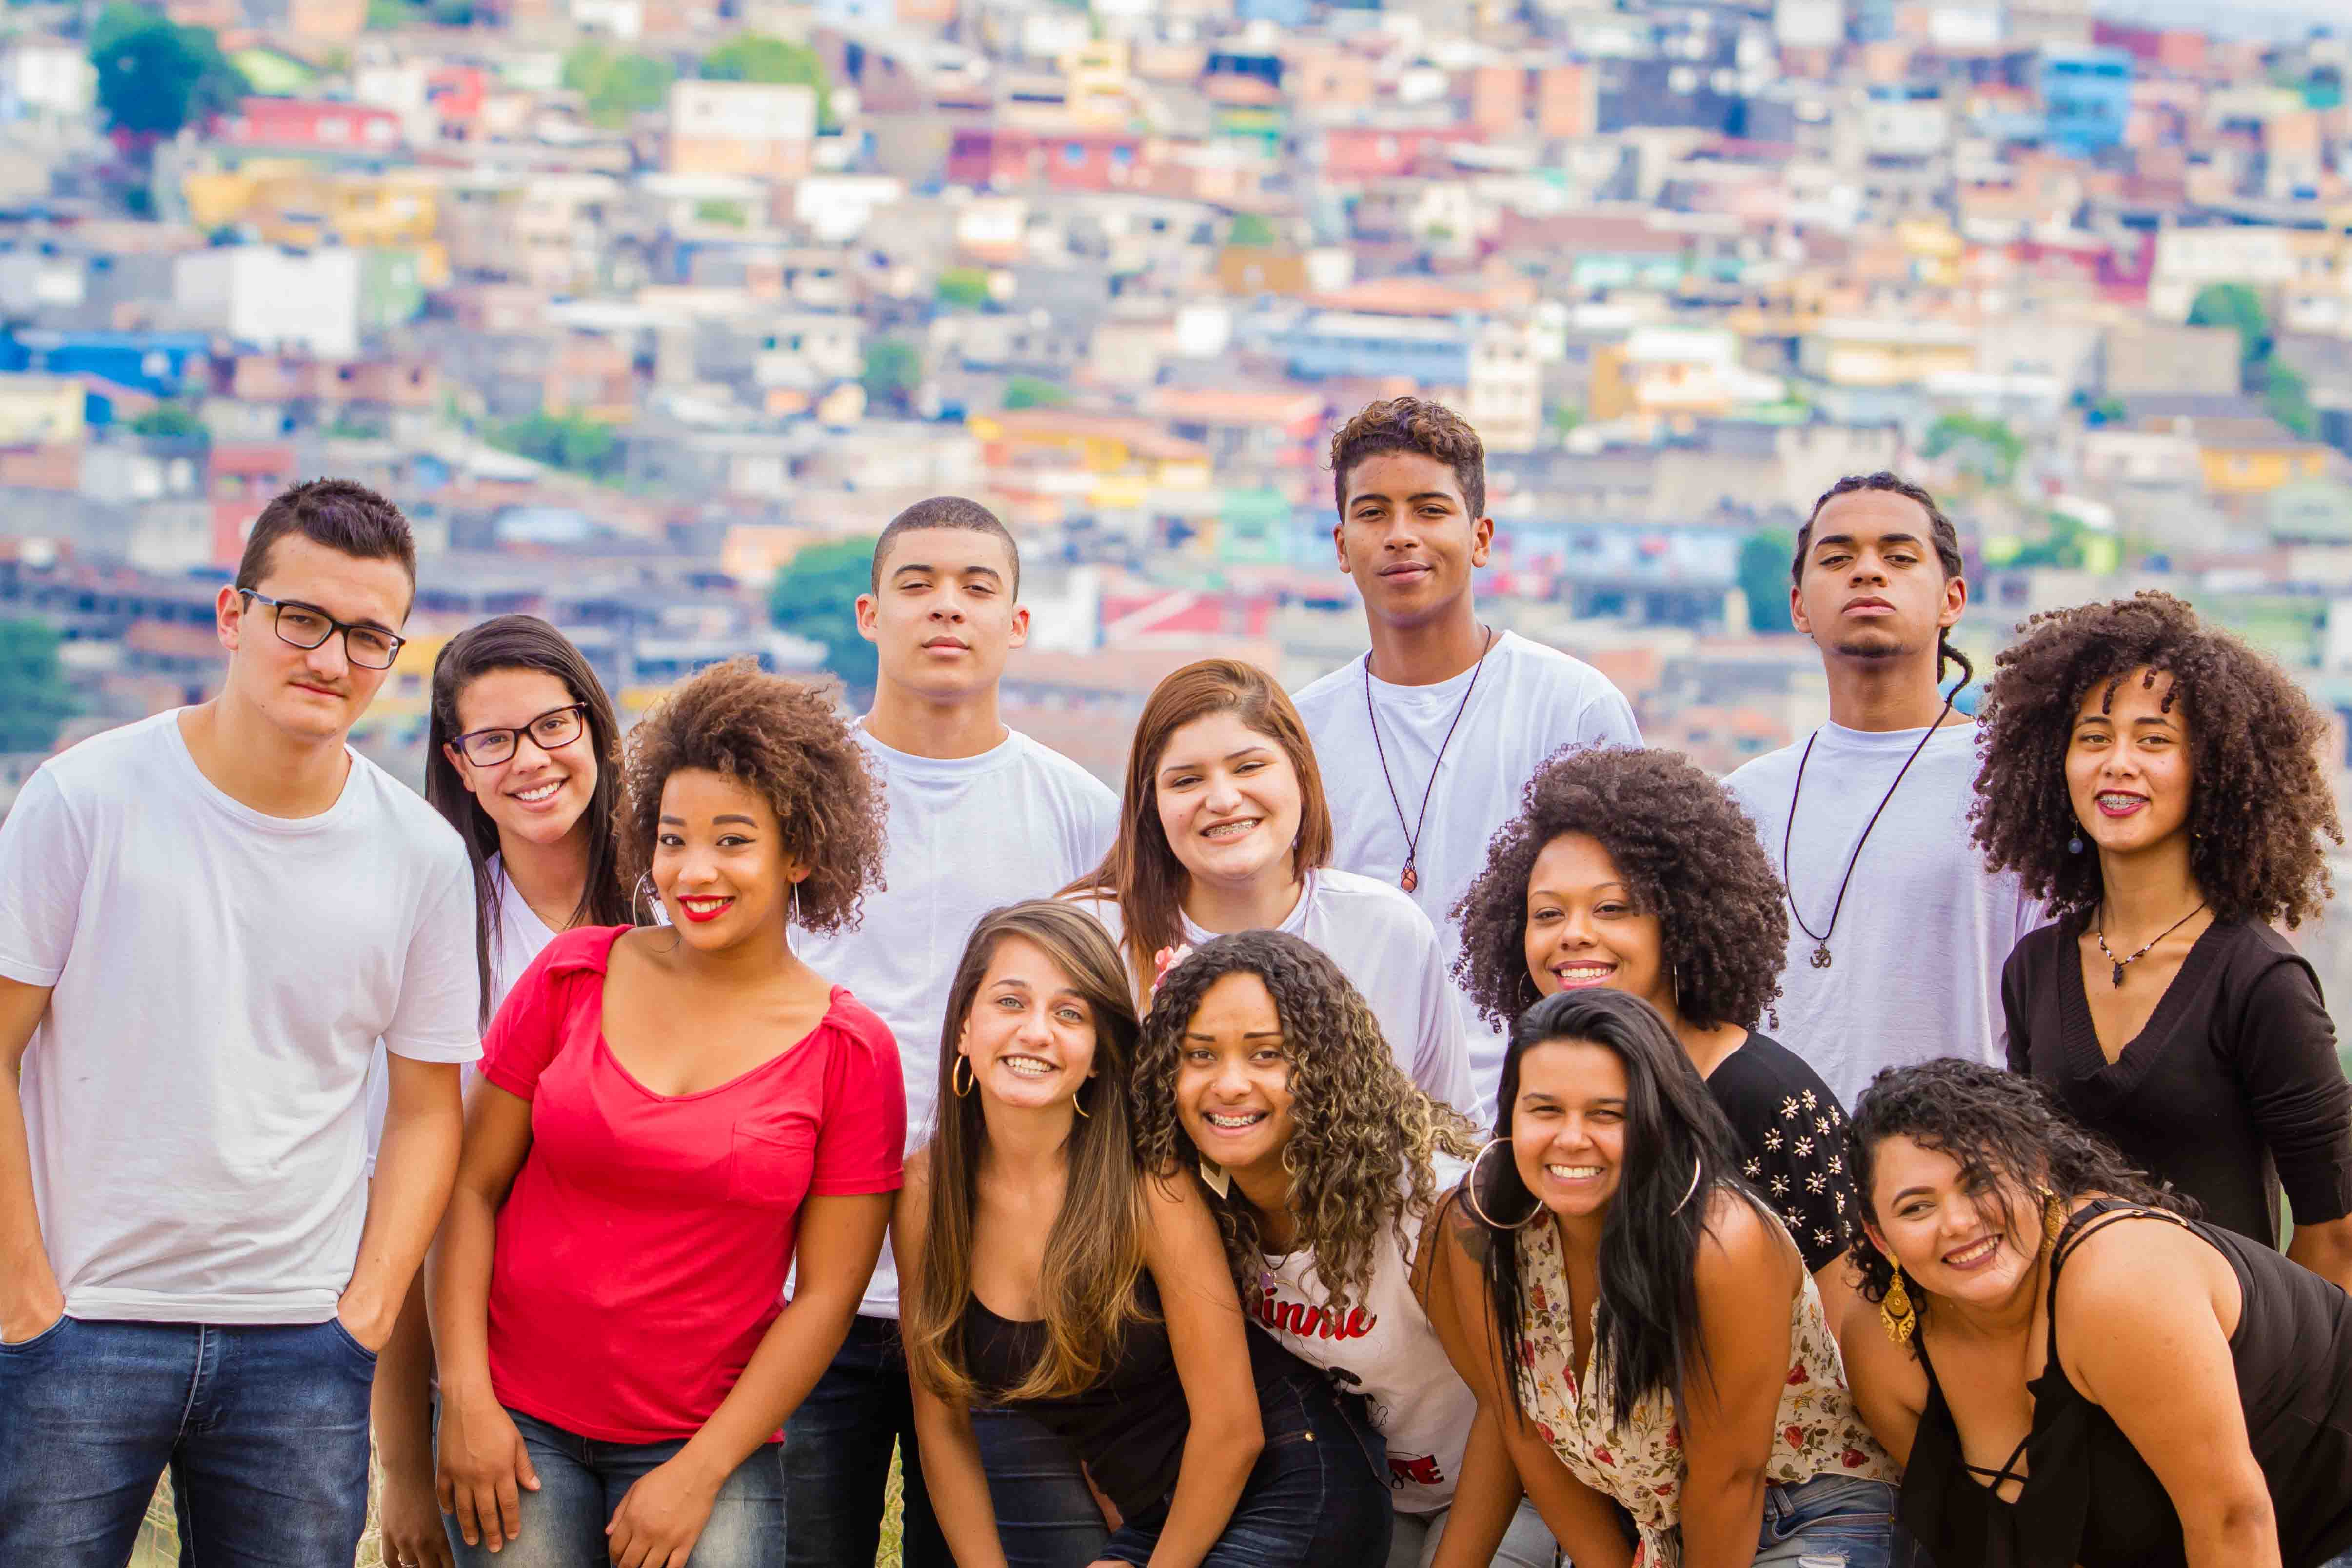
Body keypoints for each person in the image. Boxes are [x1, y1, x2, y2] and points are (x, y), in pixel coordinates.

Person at [0, 480, 478, 1565]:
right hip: (80, 1318)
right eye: (300, 618)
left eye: (366, 635)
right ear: (233, 615)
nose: (329, 657)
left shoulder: (418, 855)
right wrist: (23, 1289)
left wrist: (362, 1312)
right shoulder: (85, 798)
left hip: (301, 1342)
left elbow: (424, 1112)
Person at [429, 658, 903, 1568]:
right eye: (673, 839)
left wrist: (705, 1468)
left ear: (798, 852)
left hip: (705, 1444)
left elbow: (828, 1296)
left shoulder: (849, 1052)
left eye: (732, 841)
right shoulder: (574, 974)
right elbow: (468, 1189)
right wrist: (466, 1398)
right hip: (516, 1423)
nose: (694, 872)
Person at [785, 496, 1121, 1568]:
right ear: (867, 612)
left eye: (977, 586)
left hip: (1000, 1285)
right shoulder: (794, 795)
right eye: (918, 582)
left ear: (1016, 623)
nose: (946, 606)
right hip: (798, 1282)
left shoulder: (1075, 809)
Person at [899, 904, 1396, 1568]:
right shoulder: (927, 1194)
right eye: (1009, 1000)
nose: (1036, 1031)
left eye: (1070, 1013)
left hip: (1293, 1479)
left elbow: (1231, 1429)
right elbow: (942, 1427)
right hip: (1162, 1511)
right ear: (964, 1026)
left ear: (1103, 1051)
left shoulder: (1146, 1184)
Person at [1129, 928, 1557, 1568]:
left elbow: (1509, 1413)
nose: (1229, 1082)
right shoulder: (1192, 1206)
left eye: (1267, 1053)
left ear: (1327, 1062)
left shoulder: (1424, 1209)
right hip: (1347, 1492)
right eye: (1199, 1054)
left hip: (1506, 1490)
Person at [1428, 988, 1898, 1568]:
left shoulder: (1721, 1245)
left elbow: (1730, 1477)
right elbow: (1523, 1428)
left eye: (1607, 1113)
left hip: (1796, 1505)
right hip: (1640, 1524)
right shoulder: (1477, 1225)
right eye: (1544, 1109)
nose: (1571, 1138)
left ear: (1657, 1120)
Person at [1971, 591, 2352, 1288]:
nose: (2117, 762)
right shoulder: (2033, 966)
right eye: (2093, 738)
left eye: (2153, 740)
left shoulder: (2258, 979)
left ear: (2213, 772)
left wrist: (2260, 1362)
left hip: (2227, 1377)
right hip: (2066, 1368)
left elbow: (2334, 1235)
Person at [1842, 1059, 2352, 1568]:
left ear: (2036, 1169)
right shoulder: (1884, 1347)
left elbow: (2232, 1520)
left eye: (1978, 1181)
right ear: (1877, 1235)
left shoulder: (2116, 1283)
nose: (1957, 1222)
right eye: (1915, 1207)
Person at [369, 614, 635, 1568]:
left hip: (680, 1379)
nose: (531, 760)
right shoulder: (438, 934)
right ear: (460, 762)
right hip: (494, 1383)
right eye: (494, 738)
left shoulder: (685, 910)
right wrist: (403, 1462)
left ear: (596, 729)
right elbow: (408, 1214)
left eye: (552, 725)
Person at [1292, 397, 1641, 1120]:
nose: (1399, 536)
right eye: (1371, 513)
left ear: (1479, 536)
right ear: (1339, 544)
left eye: (1428, 509)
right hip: (1345, 1126)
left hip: (1530, 1121)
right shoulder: (1298, 731)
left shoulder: (1573, 708)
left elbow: (1629, 932)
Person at [1452, 746, 1863, 1300]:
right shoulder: (1540, 1078)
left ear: (1680, 921)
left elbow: (1849, 1324)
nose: (1572, 933)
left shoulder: (1765, 1098)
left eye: (1611, 908)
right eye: (1547, 913)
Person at [1722, 471, 2041, 1110]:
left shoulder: (2017, 785)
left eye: (1898, 556)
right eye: (1837, 558)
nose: (1867, 573)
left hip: (1962, 1172)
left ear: (1951, 599)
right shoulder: (1740, 800)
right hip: (1774, 1180)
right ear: (1797, 605)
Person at [1067, 656, 1474, 1114]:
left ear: (1300, 772)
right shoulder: (1092, 937)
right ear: (1151, 806)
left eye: (1248, 767)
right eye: (1186, 780)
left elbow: (1452, 1135)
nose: (1222, 799)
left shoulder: (1387, 929)